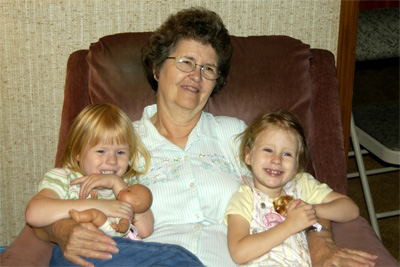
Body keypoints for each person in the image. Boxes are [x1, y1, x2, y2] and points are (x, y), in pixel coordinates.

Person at [34, 7, 378, 267]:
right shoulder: (120, 143)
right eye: (185, 62)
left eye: (208, 68)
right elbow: (52, 207)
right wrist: (63, 232)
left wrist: (321, 243)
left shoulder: (235, 135)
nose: (195, 76)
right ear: (157, 69)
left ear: (216, 82)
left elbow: (298, 190)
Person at [224, 110, 360, 266]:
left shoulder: (302, 184)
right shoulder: (245, 196)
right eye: (268, 150)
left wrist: (311, 210)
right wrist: (290, 225)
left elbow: (351, 210)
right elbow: (239, 253)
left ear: (297, 165)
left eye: (287, 154)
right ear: (249, 155)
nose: (276, 160)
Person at [25, 104, 154, 240]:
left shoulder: (128, 184)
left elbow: (145, 230)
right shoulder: (64, 178)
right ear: (78, 153)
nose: (112, 160)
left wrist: (117, 183)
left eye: (120, 152)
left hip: (125, 253)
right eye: (101, 151)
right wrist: (98, 205)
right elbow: (33, 214)